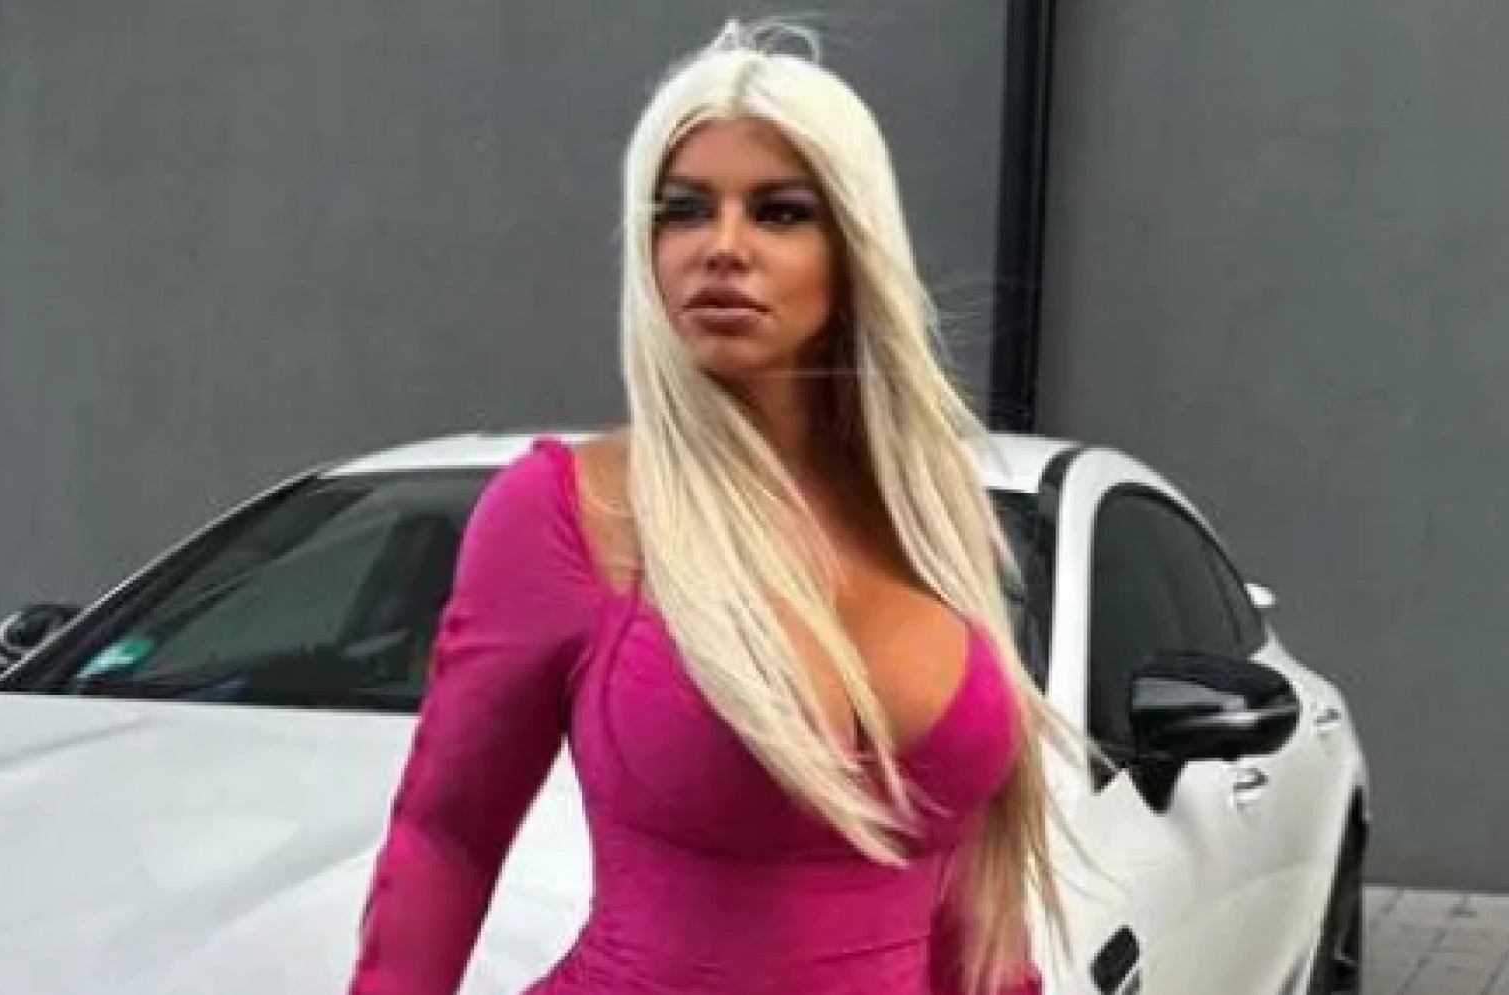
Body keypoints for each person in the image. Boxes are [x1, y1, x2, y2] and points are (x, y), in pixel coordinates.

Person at [343, 18, 1084, 995]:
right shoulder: (575, 513)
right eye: (683, 210)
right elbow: (448, 832)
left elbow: (970, 904)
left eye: (778, 212)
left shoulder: (931, 514)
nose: (722, 247)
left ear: (853, 248)